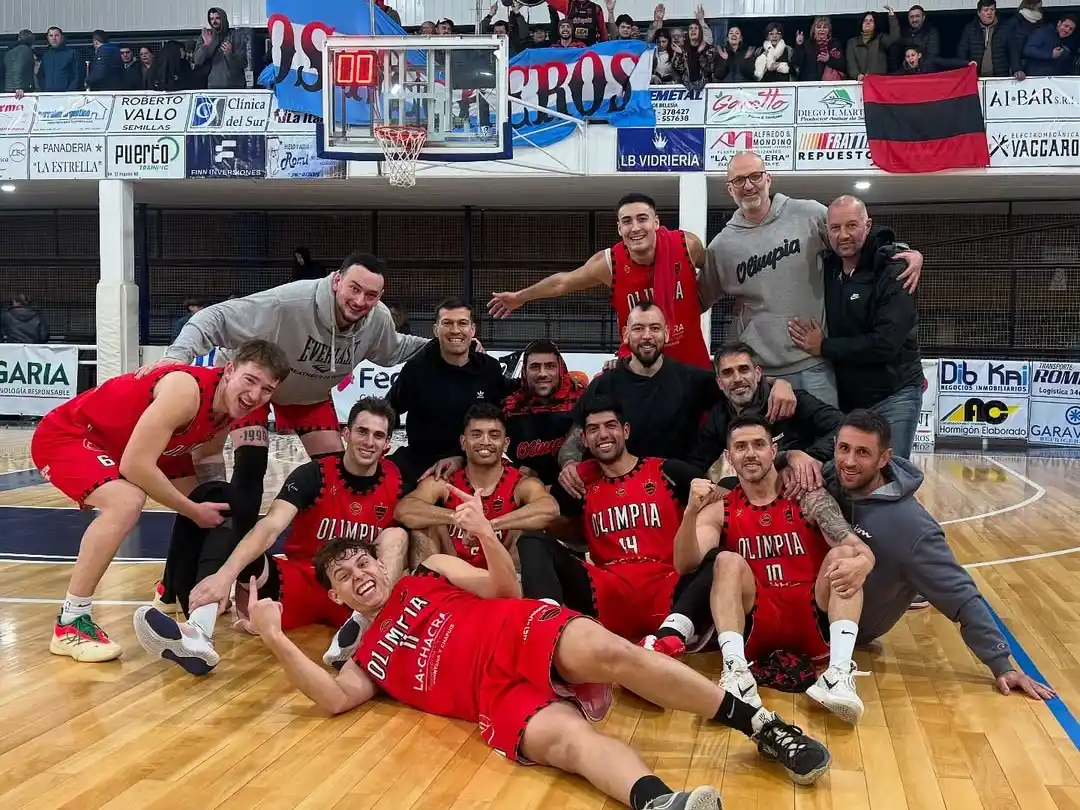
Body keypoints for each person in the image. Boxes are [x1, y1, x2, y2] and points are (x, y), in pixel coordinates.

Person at [246, 527, 832, 805]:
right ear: (340, 597)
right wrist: (275, 638)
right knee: (566, 744)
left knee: (616, 654)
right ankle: (656, 801)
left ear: (378, 562)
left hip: (517, 628)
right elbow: (331, 697)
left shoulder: (433, 572)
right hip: (492, 698)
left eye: (362, 563)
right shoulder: (366, 661)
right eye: (345, 577)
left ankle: (760, 726)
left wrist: (482, 535)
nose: (360, 576)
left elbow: (503, 588)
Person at [30, 339, 290, 663]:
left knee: (216, 504)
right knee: (127, 501)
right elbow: (135, 465)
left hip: (136, 446)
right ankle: (71, 622)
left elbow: (207, 456)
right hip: (73, 435)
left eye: (267, 390)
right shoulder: (185, 390)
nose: (255, 395)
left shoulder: (226, 409)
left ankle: (171, 589)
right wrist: (194, 510)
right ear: (230, 370)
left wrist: (219, 513)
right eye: (250, 381)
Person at [143, 252, 429, 545]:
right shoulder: (288, 302)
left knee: (338, 471)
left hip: (309, 395)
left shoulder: (377, 319)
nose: (359, 301)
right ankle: (231, 548)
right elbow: (213, 316)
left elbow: (395, 349)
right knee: (251, 462)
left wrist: (445, 345)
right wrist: (176, 357)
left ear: (380, 296)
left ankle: (324, 551)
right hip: (258, 390)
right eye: (354, 289)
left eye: (370, 295)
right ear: (337, 281)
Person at [133, 397, 410, 675]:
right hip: (300, 580)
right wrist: (224, 577)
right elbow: (270, 526)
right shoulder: (313, 475)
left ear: (387, 443)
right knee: (239, 536)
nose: (369, 442)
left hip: (355, 592)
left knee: (397, 535)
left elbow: (420, 515)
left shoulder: (399, 480)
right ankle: (198, 632)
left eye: (378, 435)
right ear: (346, 433)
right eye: (362, 431)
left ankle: (368, 624)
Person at [649, 415, 876, 725]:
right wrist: (690, 513)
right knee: (726, 560)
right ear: (729, 457)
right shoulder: (722, 507)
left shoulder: (807, 497)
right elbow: (684, 564)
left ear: (773, 450)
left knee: (844, 554)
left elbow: (853, 545)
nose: (750, 453)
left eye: (758, 445)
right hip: (757, 626)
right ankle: (737, 673)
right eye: (741, 447)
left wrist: (865, 560)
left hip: (812, 616)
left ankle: (838, 673)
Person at [827, 409, 1056, 700]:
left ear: (883, 459)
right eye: (843, 449)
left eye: (862, 452)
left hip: (850, 626)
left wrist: (1001, 664)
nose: (848, 461)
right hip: (811, 598)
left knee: (844, 554)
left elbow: (961, 597)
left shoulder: (912, 527)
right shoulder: (832, 479)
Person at [698, 151, 924, 407]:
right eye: (739, 180)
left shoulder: (808, 213)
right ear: (730, 189)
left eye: (755, 176)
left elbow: (850, 238)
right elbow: (696, 300)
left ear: (768, 179)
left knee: (826, 443)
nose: (748, 185)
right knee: (765, 446)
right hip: (761, 372)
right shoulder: (722, 246)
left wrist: (899, 251)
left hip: (813, 363)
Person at [558, 303, 795, 498]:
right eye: (639, 328)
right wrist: (569, 464)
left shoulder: (692, 379)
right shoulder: (604, 384)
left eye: (655, 328)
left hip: (675, 490)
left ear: (667, 333)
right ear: (626, 334)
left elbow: (737, 382)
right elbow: (576, 433)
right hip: (616, 491)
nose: (647, 336)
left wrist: (779, 384)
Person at [521, 398, 695, 642]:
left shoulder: (670, 472)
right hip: (607, 591)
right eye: (593, 429)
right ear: (583, 439)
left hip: (669, 586)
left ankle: (672, 635)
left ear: (625, 430)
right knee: (532, 540)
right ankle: (545, 631)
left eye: (610, 426)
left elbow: (721, 499)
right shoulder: (577, 484)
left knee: (718, 559)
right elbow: (556, 524)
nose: (603, 435)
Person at [489, 193, 713, 370]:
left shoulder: (686, 246)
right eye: (627, 221)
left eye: (642, 219)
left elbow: (714, 270)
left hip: (689, 360)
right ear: (619, 228)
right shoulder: (609, 263)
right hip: (639, 364)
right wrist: (520, 297)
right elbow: (563, 283)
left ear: (656, 222)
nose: (635, 228)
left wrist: (731, 297)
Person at [788, 196, 924, 460]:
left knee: (892, 475)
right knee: (848, 478)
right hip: (849, 400)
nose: (843, 235)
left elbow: (886, 343)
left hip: (896, 394)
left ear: (867, 225)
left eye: (851, 226)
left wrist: (824, 346)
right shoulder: (826, 267)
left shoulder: (894, 269)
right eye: (835, 228)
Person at [395, 404, 559, 566]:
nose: (485, 441)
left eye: (494, 435)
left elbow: (550, 510)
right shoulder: (445, 481)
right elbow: (404, 511)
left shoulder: (521, 483)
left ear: (506, 443)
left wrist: (488, 526)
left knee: (529, 529)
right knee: (423, 527)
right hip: (453, 576)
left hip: (504, 579)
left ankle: (520, 589)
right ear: (463, 442)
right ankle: (424, 589)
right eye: (476, 435)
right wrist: (457, 519)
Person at [688, 342, 843, 495]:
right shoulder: (719, 416)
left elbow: (843, 427)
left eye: (744, 370)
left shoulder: (793, 400)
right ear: (719, 382)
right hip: (754, 495)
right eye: (728, 373)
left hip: (804, 486)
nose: (737, 378)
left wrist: (812, 456)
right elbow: (697, 463)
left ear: (757, 374)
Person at [388, 298, 515, 484]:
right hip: (422, 463)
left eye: (462, 323)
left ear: (472, 330)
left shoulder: (489, 370)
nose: (455, 330)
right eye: (447, 323)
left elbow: (510, 409)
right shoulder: (416, 369)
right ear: (435, 330)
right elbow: (389, 409)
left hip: (473, 463)